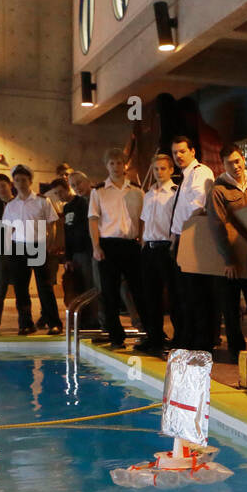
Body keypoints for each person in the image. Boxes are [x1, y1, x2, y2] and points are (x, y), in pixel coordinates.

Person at [194, 143, 247, 355]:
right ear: (223, 165)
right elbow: (217, 226)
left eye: (238, 161)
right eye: (230, 163)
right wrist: (228, 259)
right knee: (230, 311)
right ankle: (236, 352)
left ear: (243, 159)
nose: (235, 166)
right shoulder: (219, 190)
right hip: (229, 259)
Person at [89, 147, 145, 349]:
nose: (115, 167)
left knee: (139, 291)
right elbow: (93, 221)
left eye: (119, 162)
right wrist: (96, 246)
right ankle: (116, 336)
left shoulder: (137, 190)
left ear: (125, 165)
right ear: (106, 166)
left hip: (131, 245)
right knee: (109, 293)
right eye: (111, 163)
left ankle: (147, 332)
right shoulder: (99, 191)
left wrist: (142, 240)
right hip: (108, 246)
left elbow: (143, 218)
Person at [169, 135, 216, 350]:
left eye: (182, 151)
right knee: (185, 294)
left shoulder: (200, 172)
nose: (178, 156)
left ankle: (201, 341)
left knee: (197, 294)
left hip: (194, 236)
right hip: (181, 237)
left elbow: (198, 204)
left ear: (193, 152)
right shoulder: (184, 177)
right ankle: (188, 338)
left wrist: (184, 233)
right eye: (175, 152)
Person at [1, 164, 57, 336]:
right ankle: (25, 323)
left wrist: (49, 244)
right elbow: (7, 229)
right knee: (21, 288)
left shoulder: (42, 201)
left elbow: (52, 224)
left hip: (37, 245)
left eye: (24, 180)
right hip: (18, 248)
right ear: (13, 183)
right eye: (17, 180)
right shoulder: (10, 205)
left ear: (30, 181)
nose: (20, 183)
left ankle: (54, 322)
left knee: (44, 287)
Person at [0, 173, 33, 335]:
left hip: (18, 250)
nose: (0, 190)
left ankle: (25, 323)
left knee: (21, 288)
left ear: (10, 185)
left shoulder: (19, 204)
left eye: (3, 186)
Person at [137, 154, 177, 354]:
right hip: (149, 247)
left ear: (171, 170)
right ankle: (154, 337)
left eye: (163, 168)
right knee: (150, 296)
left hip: (166, 247)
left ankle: (179, 338)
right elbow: (144, 220)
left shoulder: (174, 193)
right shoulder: (149, 193)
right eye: (156, 169)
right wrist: (143, 242)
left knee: (174, 294)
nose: (159, 172)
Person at [62, 171, 98, 330]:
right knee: (82, 287)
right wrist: (67, 257)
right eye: (73, 185)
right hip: (79, 253)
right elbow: (68, 233)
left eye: (80, 183)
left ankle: (97, 320)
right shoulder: (70, 207)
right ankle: (85, 321)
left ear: (88, 181)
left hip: (97, 250)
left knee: (96, 287)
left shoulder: (100, 199)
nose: (77, 187)